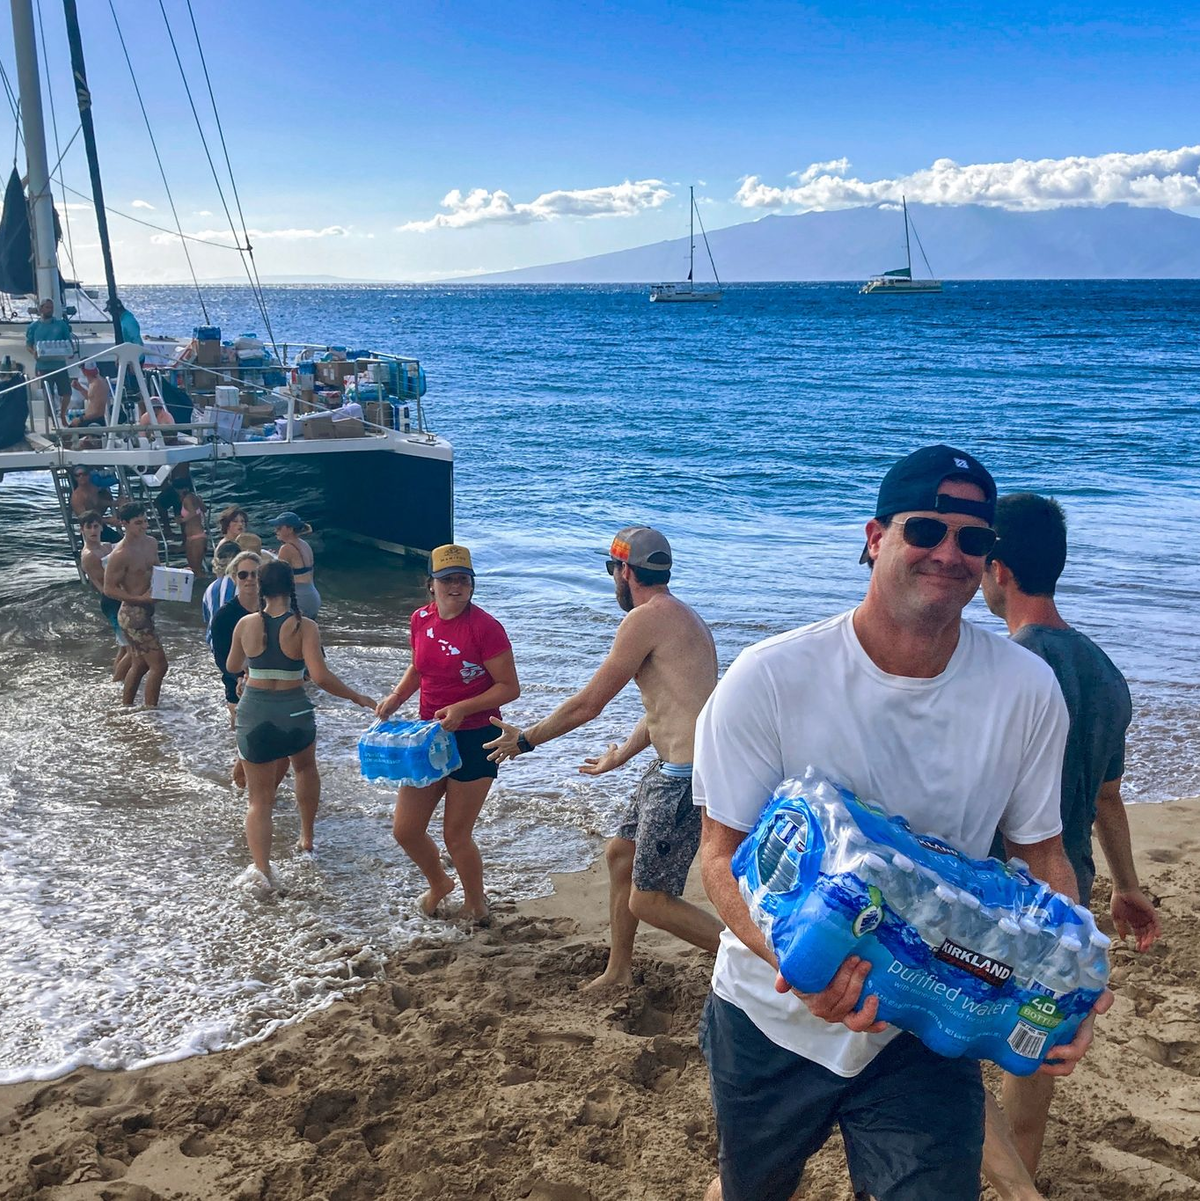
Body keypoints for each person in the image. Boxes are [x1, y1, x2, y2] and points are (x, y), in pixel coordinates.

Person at [692, 445, 1112, 1201]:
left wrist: (1069, 978)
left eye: (972, 538)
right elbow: (720, 857)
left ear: (989, 559)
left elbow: (1043, 855)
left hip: (929, 1016)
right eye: (925, 529)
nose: (948, 553)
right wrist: (800, 964)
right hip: (769, 1014)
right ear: (875, 537)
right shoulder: (771, 676)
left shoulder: (1025, 688)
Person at [980, 492, 1161, 1198]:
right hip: (1069, 891)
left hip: (997, 887)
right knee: (1031, 1065)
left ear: (997, 570)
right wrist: (1127, 885)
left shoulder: (1007, 669)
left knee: (943, 1056)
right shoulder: (1105, 673)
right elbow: (1107, 797)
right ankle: (1021, 1180)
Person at [487, 526, 722, 989]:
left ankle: (758, 962)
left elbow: (588, 704)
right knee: (620, 855)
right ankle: (618, 971)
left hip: (684, 777)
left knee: (649, 900)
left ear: (626, 571)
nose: (613, 577)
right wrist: (622, 756)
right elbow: (669, 706)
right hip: (673, 767)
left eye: (612, 568)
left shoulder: (644, 619)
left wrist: (527, 740)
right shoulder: (681, 616)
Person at [375, 544, 519, 920]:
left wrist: (463, 708)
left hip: (477, 738)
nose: (455, 587)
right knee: (405, 830)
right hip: (429, 736)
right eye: (447, 579)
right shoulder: (420, 619)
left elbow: (509, 687)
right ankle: (440, 883)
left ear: (471, 584)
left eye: (463, 580)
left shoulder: (485, 627)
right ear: (431, 584)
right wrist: (396, 698)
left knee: (456, 834)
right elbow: (418, 667)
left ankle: (476, 904)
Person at [226, 559, 375, 886]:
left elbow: (232, 665)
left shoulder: (244, 624)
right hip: (294, 712)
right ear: (291, 587)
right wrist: (357, 697)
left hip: (255, 713)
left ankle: (262, 871)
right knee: (305, 768)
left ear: (261, 588)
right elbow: (320, 677)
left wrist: (250, 669)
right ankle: (306, 838)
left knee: (259, 800)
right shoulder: (304, 626)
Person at [103, 501, 169, 708]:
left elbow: (158, 571)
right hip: (132, 614)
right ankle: (151, 710)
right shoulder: (120, 554)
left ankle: (127, 706)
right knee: (159, 666)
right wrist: (140, 599)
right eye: (138, 523)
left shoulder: (151, 543)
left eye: (145, 521)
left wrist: (178, 576)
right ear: (124, 524)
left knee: (140, 664)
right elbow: (109, 589)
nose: (144, 526)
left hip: (146, 611)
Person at [79, 510, 132, 683]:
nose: (93, 531)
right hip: (111, 600)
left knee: (124, 646)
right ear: (82, 530)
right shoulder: (89, 555)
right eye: (89, 527)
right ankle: (117, 682)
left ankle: (119, 681)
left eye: (96, 526)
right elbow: (106, 583)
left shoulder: (106, 546)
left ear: (101, 527)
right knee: (131, 648)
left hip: (120, 595)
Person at [25, 298, 72, 424]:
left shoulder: (61, 324)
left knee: (66, 392)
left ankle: (62, 414)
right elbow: (28, 344)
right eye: (47, 307)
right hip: (43, 365)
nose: (50, 310)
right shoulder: (34, 326)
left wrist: (70, 351)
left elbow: (68, 341)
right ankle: (53, 419)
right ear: (41, 309)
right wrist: (33, 352)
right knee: (48, 394)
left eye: (51, 308)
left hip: (59, 364)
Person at [271, 512, 320, 618]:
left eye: (279, 528)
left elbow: (278, 577)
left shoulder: (286, 548)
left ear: (290, 529)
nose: (275, 530)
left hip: (299, 598)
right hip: (313, 596)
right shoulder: (305, 544)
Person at [177, 474, 207, 575]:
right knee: (192, 568)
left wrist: (182, 520)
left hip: (196, 536)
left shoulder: (187, 499)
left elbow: (193, 512)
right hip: (193, 536)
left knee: (196, 568)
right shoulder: (195, 498)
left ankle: (203, 582)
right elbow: (204, 509)